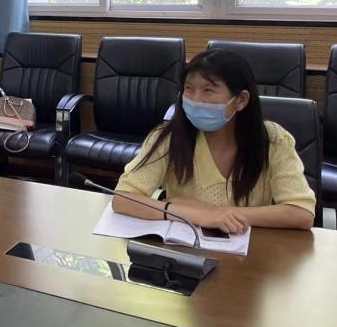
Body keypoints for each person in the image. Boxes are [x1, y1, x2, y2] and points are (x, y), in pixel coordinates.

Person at [113, 49, 315, 232]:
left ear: (241, 100)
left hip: (253, 251)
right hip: (185, 250)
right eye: (189, 88)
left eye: (208, 90)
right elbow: (123, 199)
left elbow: (301, 213)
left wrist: (215, 213)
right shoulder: (168, 137)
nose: (195, 100)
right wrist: (190, 213)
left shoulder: (273, 139)